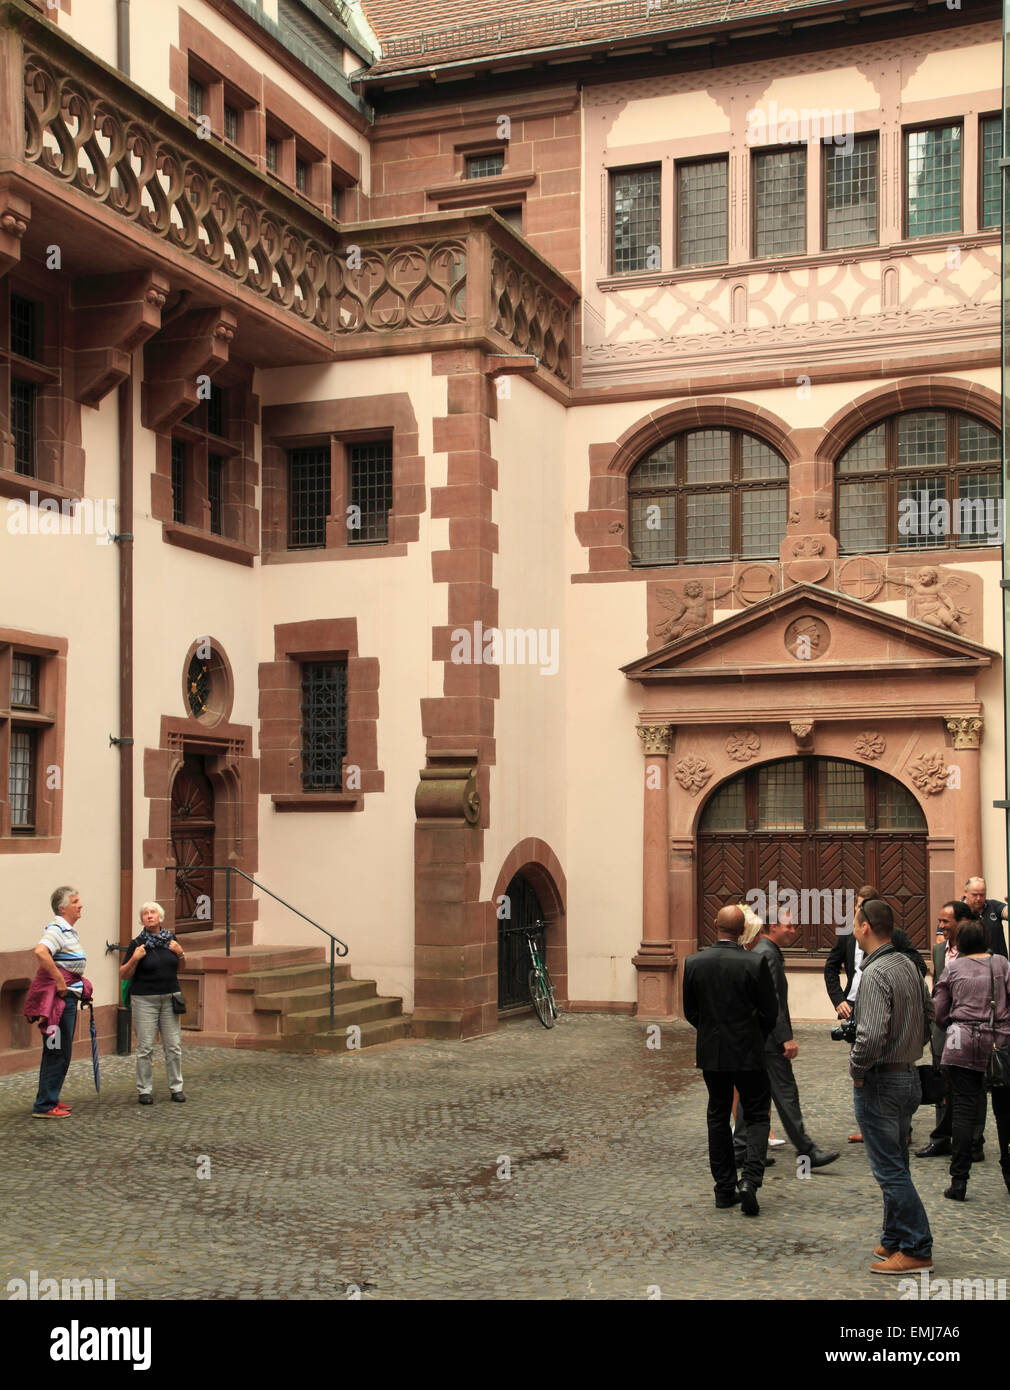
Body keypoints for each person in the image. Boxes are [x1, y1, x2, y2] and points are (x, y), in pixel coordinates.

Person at [849, 897, 934, 1274]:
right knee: (896, 1161)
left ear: (865, 926)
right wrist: (912, 1046)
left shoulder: (876, 973)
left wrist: (857, 1069)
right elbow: (931, 1014)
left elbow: (869, 1036)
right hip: (909, 1074)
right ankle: (896, 1237)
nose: (852, 925)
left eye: (854, 919)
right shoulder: (908, 965)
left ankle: (917, 1248)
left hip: (881, 1080)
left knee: (890, 1169)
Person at [683, 904, 779, 1216]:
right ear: (742, 932)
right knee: (756, 1115)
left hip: (713, 1052)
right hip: (749, 1052)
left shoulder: (694, 962)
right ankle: (750, 1181)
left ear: (715, 924)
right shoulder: (755, 962)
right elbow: (769, 1011)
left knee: (718, 1114)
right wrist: (753, 1035)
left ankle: (723, 1188)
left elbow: (691, 1011)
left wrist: (711, 1032)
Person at [734, 909, 839, 1170]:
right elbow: (773, 1002)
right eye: (789, 926)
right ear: (772, 927)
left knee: (754, 1094)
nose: (794, 930)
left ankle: (740, 1148)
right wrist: (785, 1038)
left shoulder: (763, 952)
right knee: (785, 1094)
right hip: (769, 1041)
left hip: (758, 1039)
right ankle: (807, 1150)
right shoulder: (767, 953)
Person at [824, 883, 926, 1143]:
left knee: (880, 1058)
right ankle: (871, 1124)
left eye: (860, 909)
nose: (856, 913)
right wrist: (839, 1000)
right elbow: (831, 967)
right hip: (854, 1003)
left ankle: (896, 1128)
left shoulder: (895, 939)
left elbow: (919, 967)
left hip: (888, 1003)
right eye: (857, 906)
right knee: (867, 1060)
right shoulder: (848, 935)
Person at [933, 919, 1010, 1199]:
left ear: (959, 944)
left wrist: (952, 1026)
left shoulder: (952, 969)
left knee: (964, 1111)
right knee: (1005, 1113)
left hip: (960, 1042)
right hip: (999, 1044)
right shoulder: (1001, 964)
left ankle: (959, 1181)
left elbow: (939, 1011)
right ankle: (1009, 1173)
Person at [915, 902, 985, 1160]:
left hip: (970, 1028)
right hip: (943, 1027)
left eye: (946, 921)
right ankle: (942, 1138)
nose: (941, 926)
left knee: (974, 1084)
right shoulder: (937, 950)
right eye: (940, 921)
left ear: (963, 922)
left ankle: (974, 1141)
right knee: (941, 1082)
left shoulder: (978, 953)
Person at [28, 886, 89, 1118]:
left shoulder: (67, 930)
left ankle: (50, 1096)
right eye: (75, 901)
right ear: (62, 908)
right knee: (56, 1050)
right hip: (58, 1004)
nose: (80, 905)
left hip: (66, 1002)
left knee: (60, 1051)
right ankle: (44, 1105)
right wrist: (60, 982)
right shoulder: (56, 929)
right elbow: (41, 952)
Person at [120, 902, 187, 1104]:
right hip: (144, 1000)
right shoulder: (137, 943)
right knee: (145, 1047)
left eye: (153, 913)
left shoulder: (171, 940)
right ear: (142, 920)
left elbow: (181, 966)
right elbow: (123, 974)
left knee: (173, 1046)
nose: (149, 916)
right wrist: (135, 959)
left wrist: (181, 953)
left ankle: (177, 1088)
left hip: (170, 998)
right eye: (145, 914)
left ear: (160, 917)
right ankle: (144, 1090)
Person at [961, 877, 1009, 959]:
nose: (978, 898)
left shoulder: (993, 905)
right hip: (968, 965)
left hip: (997, 964)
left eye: (982, 894)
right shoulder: (956, 910)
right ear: (965, 892)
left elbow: (1007, 913)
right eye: (975, 895)